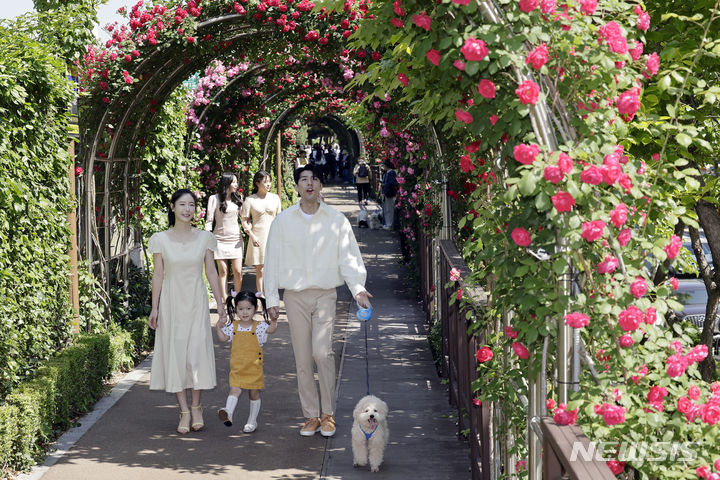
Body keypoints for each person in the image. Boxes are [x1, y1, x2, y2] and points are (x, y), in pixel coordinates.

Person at [264, 164, 372, 438]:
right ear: (297, 186)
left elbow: (348, 258)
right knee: (302, 359)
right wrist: (271, 299)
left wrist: (358, 289)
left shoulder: (335, 220)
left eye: (314, 179)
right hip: (295, 296)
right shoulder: (283, 221)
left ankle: (328, 414)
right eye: (303, 180)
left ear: (320, 185)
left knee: (322, 353)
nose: (309, 184)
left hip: (325, 294)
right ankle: (311, 415)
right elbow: (272, 260)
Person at [148, 189, 227, 434]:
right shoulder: (160, 239)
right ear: (172, 207)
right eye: (182, 204)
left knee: (196, 354)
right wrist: (155, 307)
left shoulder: (205, 238)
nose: (187, 209)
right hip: (171, 303)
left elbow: (212, 272)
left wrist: (221, 304)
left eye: (191, 205)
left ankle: (196, 407)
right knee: (177, 355)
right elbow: (158, 274)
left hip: (196, 301)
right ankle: (183, 411)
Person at [216, 290, 278, 433]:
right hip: (237, 367)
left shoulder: (260, 326)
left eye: (249, 309)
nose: (245, 312)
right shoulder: (233, 326)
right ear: (236, 309)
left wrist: (274, 321)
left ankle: (252, 421)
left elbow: (271, 330)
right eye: (241, 309)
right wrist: (218, 327)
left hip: (254, 367)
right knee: (234, 390)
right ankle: (228, 413)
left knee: (253, 394)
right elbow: (223, 338)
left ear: (255, 309)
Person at [205, 172, 244, 305]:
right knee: (223, 271)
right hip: (219, 240)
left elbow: (244, 219)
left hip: (236, 240)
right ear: (227, 183)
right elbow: (209, 220)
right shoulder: (214, 199)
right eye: (233, 182)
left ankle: (238, 300)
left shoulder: (239, 198)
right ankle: (225, 300)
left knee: (238, 271)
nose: (236, 184)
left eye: (236, 182)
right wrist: (206, 236)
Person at [241, 171, 282, 296]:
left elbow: (280, 219)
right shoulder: (250, 200)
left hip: (273, 236)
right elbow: (244, 221)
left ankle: (271, 294)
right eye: (265, 181)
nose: (268, 184)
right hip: (258, 237)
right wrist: (252, 236)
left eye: (269, 181)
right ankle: (261, 296)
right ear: (257, 183)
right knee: (261, 270)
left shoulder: (275, 198)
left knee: (273, 270)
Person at [380, 160, 398, 230]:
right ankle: (387, 224)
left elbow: (392, 183)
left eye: (384, 166)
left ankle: (390, 225)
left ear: (387, 166)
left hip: (389, 193)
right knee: (387, 209)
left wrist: (384, 184)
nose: (383, 167)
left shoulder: (391, 173)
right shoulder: (387, 173)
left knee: (390, 209)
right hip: (387, 193)